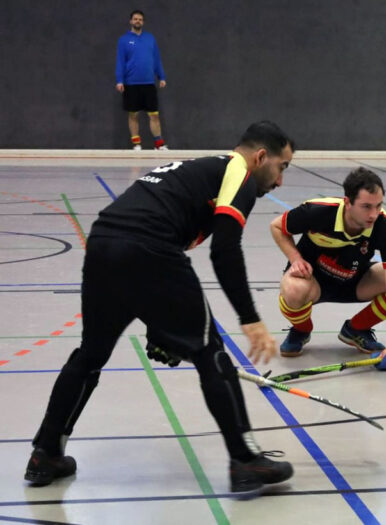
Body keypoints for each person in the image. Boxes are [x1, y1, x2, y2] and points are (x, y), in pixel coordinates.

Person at [25, 121, 295, 496]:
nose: (280, 181)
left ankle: (46, 452)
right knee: (210, 353)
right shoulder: (240, 173)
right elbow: (224, 248)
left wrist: (160, 327)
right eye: (282, 167)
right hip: (148, 246)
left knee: (91, 354)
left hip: (104, 242)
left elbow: (151, 237)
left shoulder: (198, 170)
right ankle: (245, 460)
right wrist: (250, 318)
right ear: (261, 156)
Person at [270, 167, 386, 358]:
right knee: (293, 290)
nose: (374, 214)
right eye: (366, 206)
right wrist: (295, 259)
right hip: (311, 281)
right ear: (347, 203)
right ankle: (301, 330)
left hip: (355, 280)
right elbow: (277, 226)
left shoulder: (384, 227)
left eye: (378, 206)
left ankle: (356, 329)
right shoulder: (318, 212)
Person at [115, 9, 169, 151]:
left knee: (154, 116)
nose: (137, 21)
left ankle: (159, 144)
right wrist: (119, 80)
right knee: (133, 115)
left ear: (143, 22)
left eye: (140, 19)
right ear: (131, 21)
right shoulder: (124, 40)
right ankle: (136, 144)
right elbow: (120, 61)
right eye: (135, 19)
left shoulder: (150, 38)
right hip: (131, 84)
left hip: (149, 84)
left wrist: (161, 76)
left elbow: (156, 59)